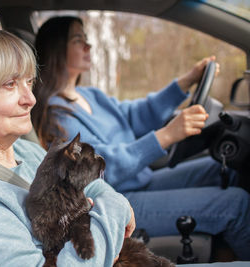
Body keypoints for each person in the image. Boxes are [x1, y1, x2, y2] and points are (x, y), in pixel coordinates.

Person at [32, 16, 250, 260]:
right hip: (118, 199)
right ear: (55, 48)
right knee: (236, 206)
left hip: (140, 180)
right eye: (77, 40)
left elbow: (134, 115)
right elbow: (96, 168)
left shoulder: (89, 95)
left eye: (86, 39)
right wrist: (167, 135)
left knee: (223, 168)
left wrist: (186, 81)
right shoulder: (56, 114)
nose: (88, 46)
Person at [0, 28, 135, 266]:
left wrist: (107, 205)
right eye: (10, 84)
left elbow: (92, 186)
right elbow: (109, 208)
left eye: (29, 82)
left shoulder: (27, 152)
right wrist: (115, 209)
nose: (31, 99)